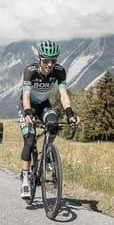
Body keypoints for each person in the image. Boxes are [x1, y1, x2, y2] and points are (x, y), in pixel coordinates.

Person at [19, 40, 80, 199]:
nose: (50, 64)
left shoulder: (59, 71)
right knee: (30, 141)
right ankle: (25, 179)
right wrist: (27, 113)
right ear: (39, 58)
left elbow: (63, 94)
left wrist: (70, 114)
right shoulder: (30, 71)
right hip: (27, 106)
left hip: (44, 105)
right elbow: (25, 95)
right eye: (46, 60)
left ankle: (47, 152)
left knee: (54, 124)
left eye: (53, 60)